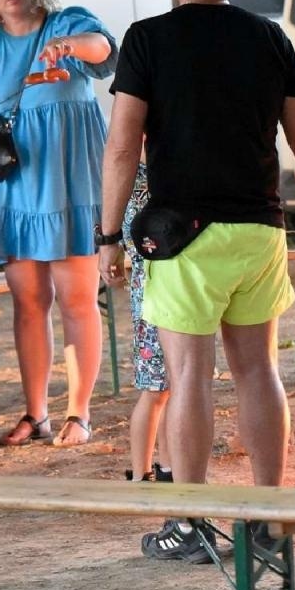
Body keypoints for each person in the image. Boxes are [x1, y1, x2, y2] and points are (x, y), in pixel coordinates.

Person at [98, 0, 295, 563]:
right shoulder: (269, 38)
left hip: (183, 238)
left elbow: (122, 147)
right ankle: (269, 521)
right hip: (259, 232)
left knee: (189, 376)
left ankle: (190, 524)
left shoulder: (147, 39)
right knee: (258, 372)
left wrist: (108, 235)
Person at [0, 0, 116, 448]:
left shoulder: (65, 23)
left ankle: (79, 413)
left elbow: (103, 50)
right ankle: (36, 413)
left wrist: (70, 47)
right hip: (20, 184)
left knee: (78, 299)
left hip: (71, 181)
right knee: (28, 302)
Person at [123, 160, 172, 483]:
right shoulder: (134, 173)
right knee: (156, 389)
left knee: (174, 389)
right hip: (154, 289)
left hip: (170, 287)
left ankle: (168, 468)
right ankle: (141, 474)